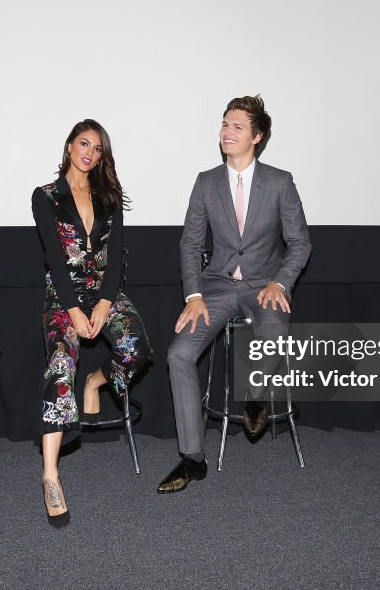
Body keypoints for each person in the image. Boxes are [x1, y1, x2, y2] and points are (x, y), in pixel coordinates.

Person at [158, 96, 311, 495]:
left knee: (274, 335)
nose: (227, 131)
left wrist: (281, 282)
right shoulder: (206, 182)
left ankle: (255, 397)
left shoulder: (279, 181)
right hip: (216, 288)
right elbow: (190, 244)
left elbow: (300, 244)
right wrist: (193, 294)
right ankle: (192, 458)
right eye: (225, 123)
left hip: (265, 286)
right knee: (178, 354)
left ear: (256, 137)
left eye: (238, 126)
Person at [32, 119, 151, 527]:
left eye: (98, 149)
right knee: (60, 364)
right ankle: (51, 475)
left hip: (105, 291)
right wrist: (75, 309)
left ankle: (97, 381)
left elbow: (117, 255)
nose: (90, 153)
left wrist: (103, 302)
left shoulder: (109, 195)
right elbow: (52, 256)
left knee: (136, 349)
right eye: (84, 144)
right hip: (62, 295)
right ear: (69, 146)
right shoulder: (46, 196)